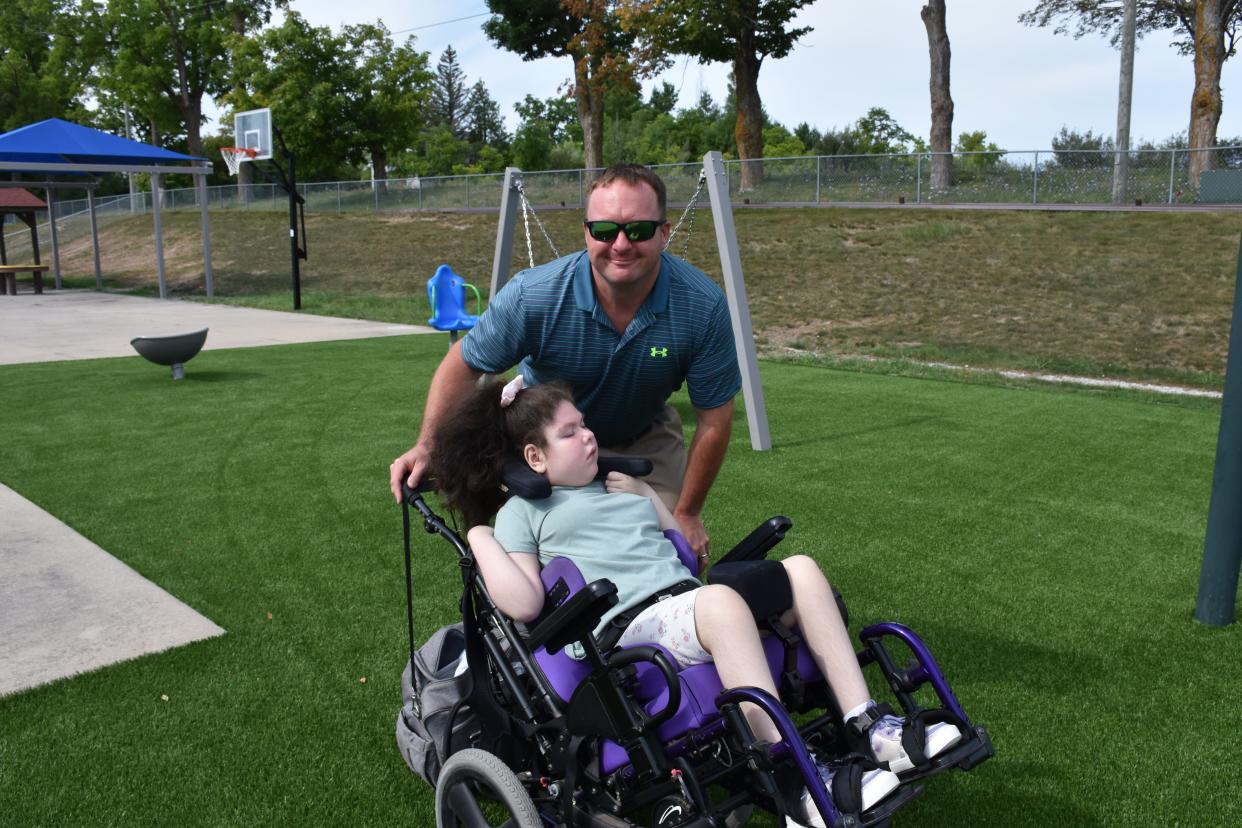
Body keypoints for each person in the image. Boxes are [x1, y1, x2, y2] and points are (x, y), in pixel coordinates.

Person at [429, 378, 963, 826]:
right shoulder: (523, 514)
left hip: (685, 604)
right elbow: (523, 603)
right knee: (721, 604)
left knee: (799, 569)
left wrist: (647, 499)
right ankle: (790, 779)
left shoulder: (618, 488)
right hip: (629, 634)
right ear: (534, 457)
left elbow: (684, 559)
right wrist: (479, 536)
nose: (589, 436)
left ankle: (869, 726)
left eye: (585, 424)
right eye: (570, 432)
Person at [390, 163, 741, 561]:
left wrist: (688, 513)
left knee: (661, 553)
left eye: (639, 230)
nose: (621, 244)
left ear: (664, 232)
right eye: (605, 231)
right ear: (586, 232)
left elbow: (714, 420)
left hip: (642, 433)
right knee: (539, 559)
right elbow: (462, 364)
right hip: (545, 438)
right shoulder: (533, 295)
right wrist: (427, 445)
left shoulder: (702, 306)